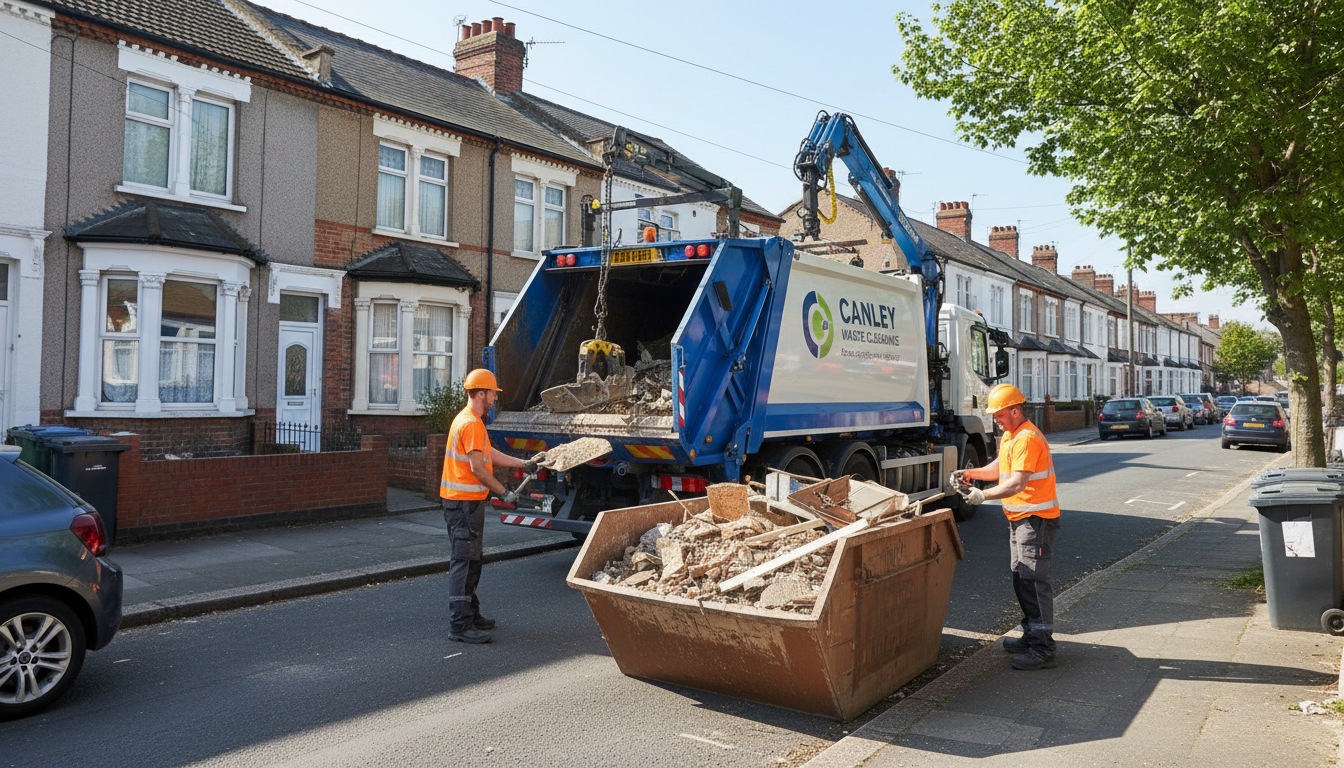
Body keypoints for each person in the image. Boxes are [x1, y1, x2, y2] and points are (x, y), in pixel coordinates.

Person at [953, 383, 1061, 670]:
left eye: (999, 415)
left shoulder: (1027, 438)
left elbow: (1016, 483)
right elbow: (999, 469)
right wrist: (969, 474)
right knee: (1022, 578)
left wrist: (982, 495)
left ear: (1015, 411)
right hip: (1021, 519)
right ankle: (1031, 636)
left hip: (1035, 520)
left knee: (1033, 582)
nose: (996, 420)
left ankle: (1043, 649)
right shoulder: (1013, 435)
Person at [440, 368, 537, 644]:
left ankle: (470, 615)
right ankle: (459, 625)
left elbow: (487, 454)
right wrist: (503, 492)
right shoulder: (470, 423)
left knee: (472, 559)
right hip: (463, 504)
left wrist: (522, 463)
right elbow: (478, 468)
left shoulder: (471, 421)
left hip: (465, 504)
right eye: (493, 393)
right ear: (481, 393)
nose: (495, 398)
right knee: (464, 561)